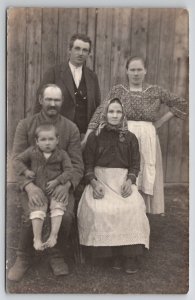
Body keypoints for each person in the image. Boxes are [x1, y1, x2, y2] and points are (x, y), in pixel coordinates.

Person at [82, 56, 188, 215]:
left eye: (139, 69)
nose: (136, 73)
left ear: (145, 71)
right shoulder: (118, 90)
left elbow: (182, 104)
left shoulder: (155, 91)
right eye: (132, 70)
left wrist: (160, 122)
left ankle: (140, 214)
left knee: (144, 173)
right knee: (127, 170)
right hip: (123, 136)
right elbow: (101, 110)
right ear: (127, 71)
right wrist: (89, 133)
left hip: (148, 138)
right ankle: (123, 210)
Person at [8, 84, 84, 281]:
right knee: (31, 213)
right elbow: (16, 159)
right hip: (34, 185)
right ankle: (23, 257)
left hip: (61, 185)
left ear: (62, 102)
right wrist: (28, 186)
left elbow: (77, 165)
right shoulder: (25, 125)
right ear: (40, 100)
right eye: (48, 99)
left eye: (57, 100)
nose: (52, 104)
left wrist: (66, 185)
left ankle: (56, 255)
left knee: (65, 215)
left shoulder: (71, 128)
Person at [77, 98, 150, 274]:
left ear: (123, 114)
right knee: (100, 209)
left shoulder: (131, 138)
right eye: (111, 112)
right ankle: (110, 254)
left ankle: (128, 255)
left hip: (121, 182)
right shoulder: (95, 137)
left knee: (133, 208)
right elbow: (87, 165)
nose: (115, 115)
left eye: (118, 112)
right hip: (100, 181)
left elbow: (134, 165)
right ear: (105, 114)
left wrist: (130, 180)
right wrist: (94, 183)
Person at [13, 123, 73, 251]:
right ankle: (37, 238)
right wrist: (25, 171)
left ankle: (53, 236)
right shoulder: (32, 152)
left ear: (57, 140)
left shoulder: (62, 154)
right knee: (37, 209)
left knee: (58, 207)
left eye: (51, 139)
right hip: (38, 190)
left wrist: (58, 181)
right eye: (43, 139)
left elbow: (69, 171)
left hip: (55, 190)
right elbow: (17, 161)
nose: (47, 143)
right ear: (37, 141)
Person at [33, 33, 101, 137]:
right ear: (70, 50)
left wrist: (91, 135)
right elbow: (40, 104)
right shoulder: (54, 73)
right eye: (77, 49)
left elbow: (97, 107)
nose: (81, 53)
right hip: (57, 133)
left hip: (83, 136)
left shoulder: (92, 77)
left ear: (89, 54)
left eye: (85, 50)